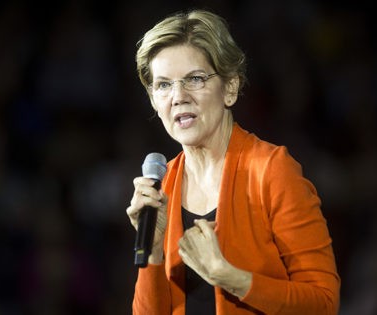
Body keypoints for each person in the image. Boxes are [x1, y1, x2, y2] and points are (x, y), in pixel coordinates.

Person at [126, 9, 340, 315]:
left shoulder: (271, 170)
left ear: (230, 88)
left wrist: (229, 277)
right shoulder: (163, 188)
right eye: (163, 85)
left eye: (195, 79)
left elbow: (323, 303)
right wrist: (155, 250)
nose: (178, 96)